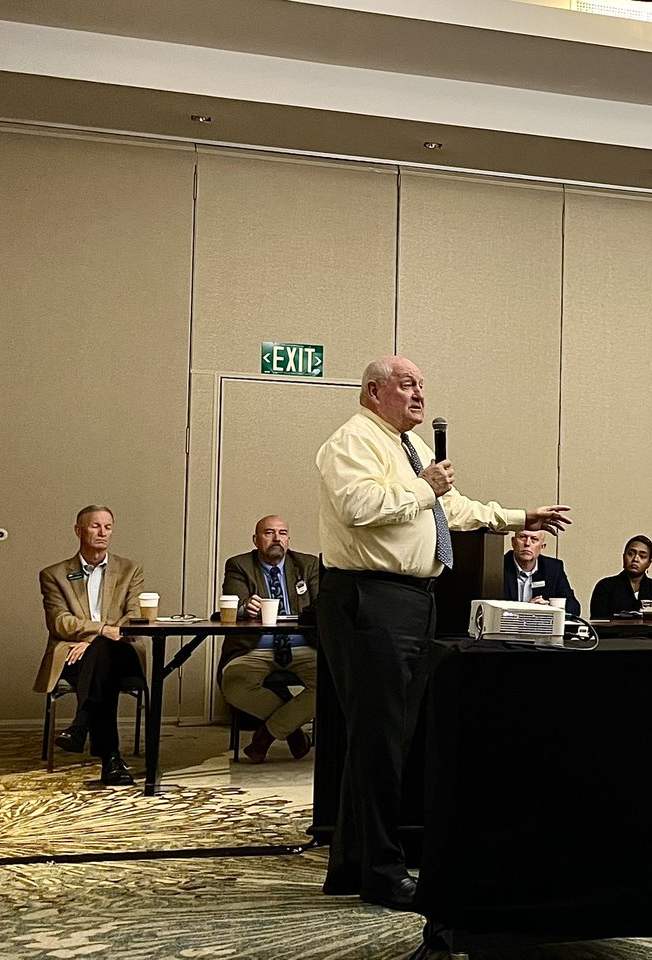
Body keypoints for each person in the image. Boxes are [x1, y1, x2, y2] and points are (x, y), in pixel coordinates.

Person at [315, 354, 570, 912]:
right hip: (368, 596)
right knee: (381, 739)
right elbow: (360, 507)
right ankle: (383, 874)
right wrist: (424, 487)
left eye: (422, 385)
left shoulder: (411, 447)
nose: (419, 394)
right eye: (407, 384)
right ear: (374, 391)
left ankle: (353, 864)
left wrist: (519, 517)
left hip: (412, 599)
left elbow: (450, 510)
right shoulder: (352, 441)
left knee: (384, 738)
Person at [35, 505, 145, 787]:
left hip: (122, 650)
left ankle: (81, 723)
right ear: (78, 531)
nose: (102, 532)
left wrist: (93, 640)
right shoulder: (54, 574)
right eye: (95, 526)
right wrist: (101, 633)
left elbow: (134, 617)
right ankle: (111, 759)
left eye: (108, 527)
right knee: (102, 671)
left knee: (104, 653)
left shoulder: (130, 570)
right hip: (76, 657)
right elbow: (59, 621)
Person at [220, 514, 320, 763]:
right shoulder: (239, 565)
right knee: (233, 682)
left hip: (302, 645)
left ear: (288, 539)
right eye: (269, 533)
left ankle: (266, 735)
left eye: (282, 533)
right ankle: (292, 732)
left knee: (333, 681)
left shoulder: (307, 565)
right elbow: (234, 603)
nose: (277, 538)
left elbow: (321, 606)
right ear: (256, 540)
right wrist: (245, 607)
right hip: (257, 647)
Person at [589, 535, 652, 619]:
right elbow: (598, 621)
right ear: (623, 557)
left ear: (649, 563)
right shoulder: (605, 586)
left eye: (642, 556)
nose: (635, 559)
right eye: (631, 554)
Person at [502, 529, 581, 617]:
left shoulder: (553, 568)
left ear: (542, 546)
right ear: (513, 542)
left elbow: (574, 607)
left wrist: (550, 608)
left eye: (534, 539)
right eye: (523, 537)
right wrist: (527, 609)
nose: (527, 543)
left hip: (541, 624)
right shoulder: (497, 566)